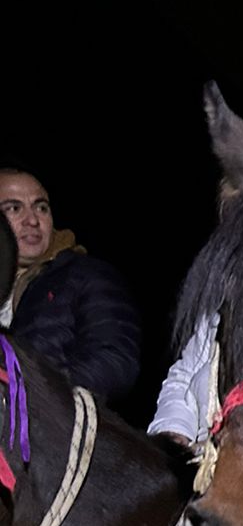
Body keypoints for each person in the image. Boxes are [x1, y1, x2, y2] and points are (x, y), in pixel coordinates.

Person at [0, 167, 140, 404]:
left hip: (56, 432)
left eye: (41, 207)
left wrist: (42, 393)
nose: (33, 220)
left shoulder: (85, 275)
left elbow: (116, 360)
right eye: (14, 208)